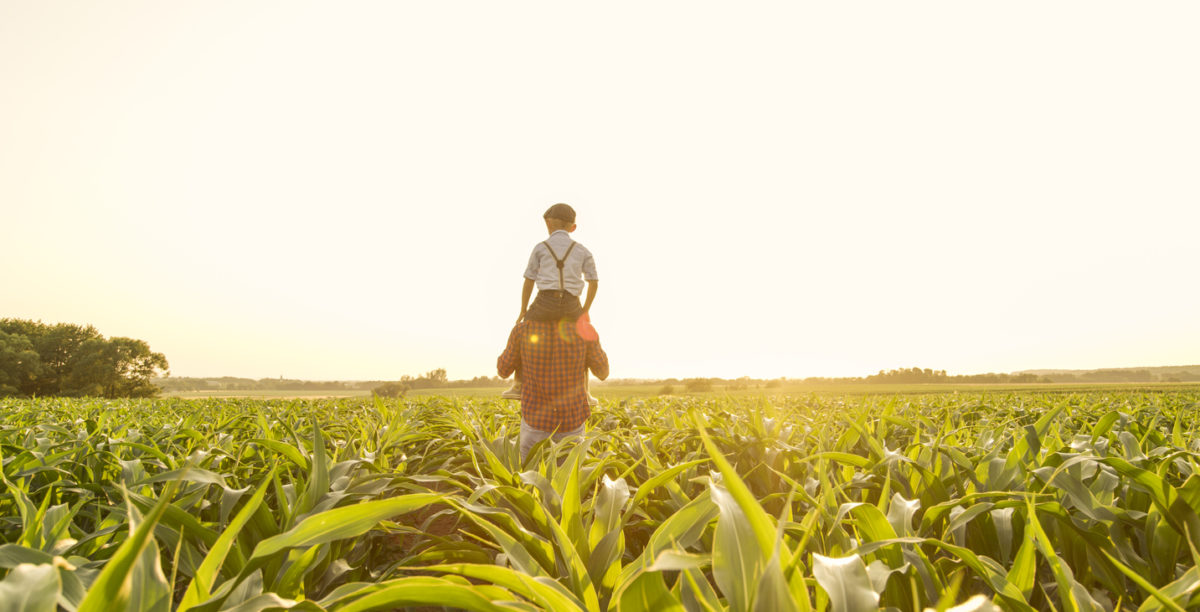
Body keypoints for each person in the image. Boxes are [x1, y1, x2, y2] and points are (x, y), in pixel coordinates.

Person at [502, 203, 599, 403]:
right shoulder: (582, 250)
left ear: (548, 223)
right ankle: (585, 390)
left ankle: (519, 384)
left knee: (523, 333)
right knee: (583, 339)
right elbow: (593, 282)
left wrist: (523, 310)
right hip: (572, 304)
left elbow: (529, 280)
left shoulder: (540, 248)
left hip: (545, 302)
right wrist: (585, 311)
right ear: (573, 228)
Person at [497, 312, 609, 460]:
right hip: (571, 425)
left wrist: (518, 343)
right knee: (566, 480)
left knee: (531, 478)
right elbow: (603, 372)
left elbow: (503, 370)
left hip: (534, 424)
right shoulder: (584, 330)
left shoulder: (522, 330)